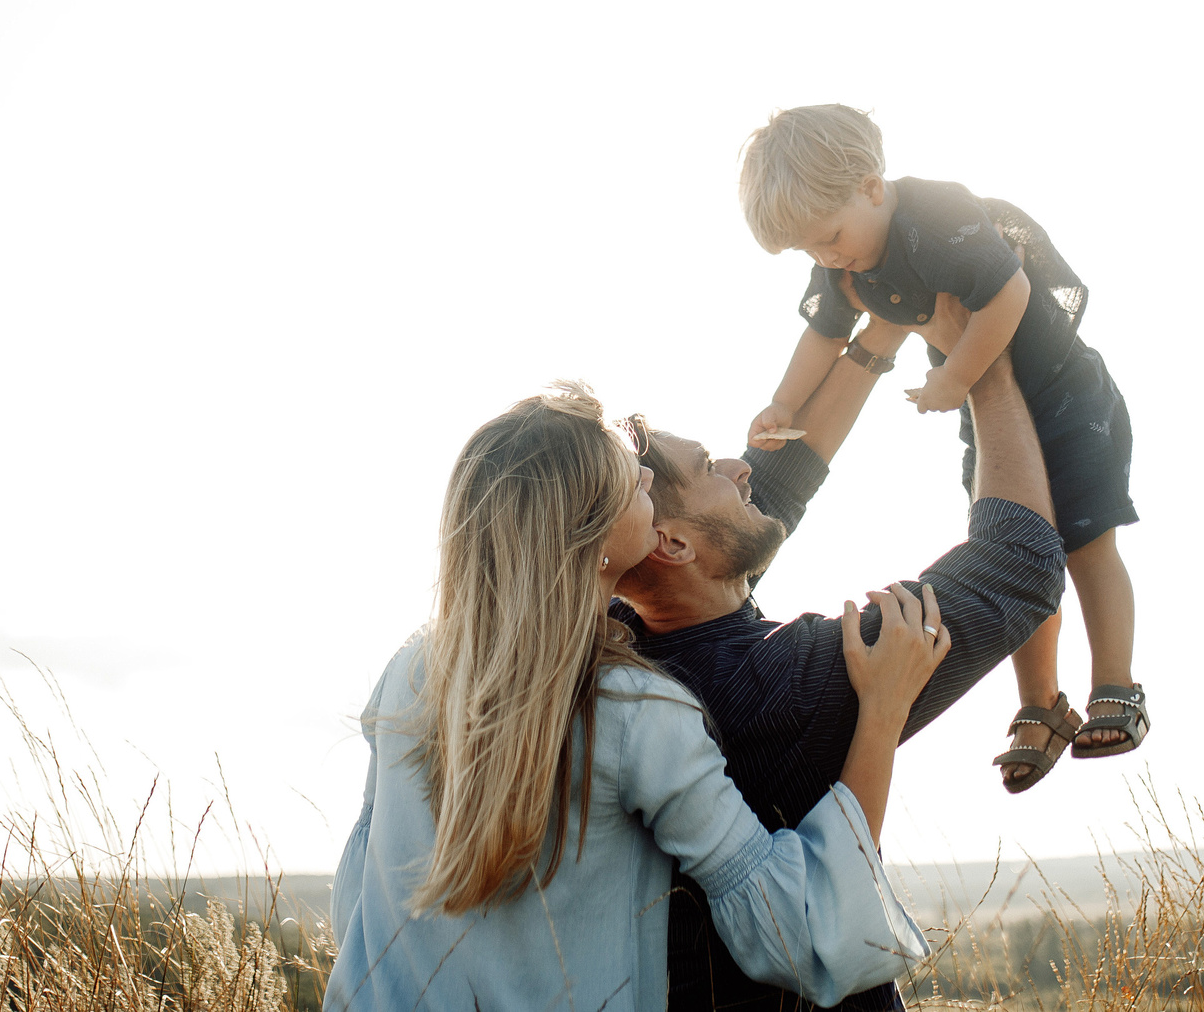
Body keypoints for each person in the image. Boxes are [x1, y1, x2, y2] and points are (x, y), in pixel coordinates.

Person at [327, 382, 947, 1012]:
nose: (647, 474)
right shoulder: (638, 711)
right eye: (630, 478)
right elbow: (802, 935)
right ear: (595, 534)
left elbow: (358, 893)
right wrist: (882, 714)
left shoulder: (411, 669)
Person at [615, 302, 1065, 1012]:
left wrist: (880, 331)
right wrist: (985, 364)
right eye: (707, 466)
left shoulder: (630, 638)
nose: (739, 466)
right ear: (672, 544)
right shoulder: (782, 682)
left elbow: (778, 481)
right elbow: (1022, 560)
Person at [740, 103, 1150, 790]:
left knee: (1087, 539)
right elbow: (825, 333)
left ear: (871, 187)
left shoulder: (938, 215)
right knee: (1017, 539)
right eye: (811, 250)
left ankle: (1117, 682)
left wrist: (957, 375)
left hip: (1065, 394)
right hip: (988, 415)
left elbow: (1008, 293)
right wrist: (784, 401)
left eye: (831, 236)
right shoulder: (845, 261)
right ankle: (1041, 702)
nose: (827, 257)